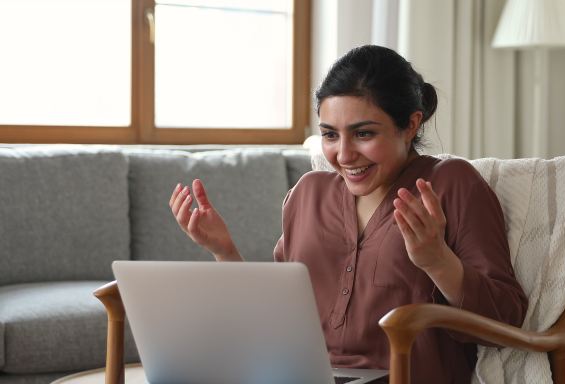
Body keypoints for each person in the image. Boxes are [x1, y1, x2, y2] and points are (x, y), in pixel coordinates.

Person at [168, 45, 528, 383]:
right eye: (329, 135)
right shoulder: (308, 193)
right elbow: (275, 317)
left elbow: (506, 319)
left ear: (410, 125)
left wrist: (438, 262)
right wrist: (224, 251)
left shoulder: (451, 184)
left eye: (363, 134)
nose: (343, 155)